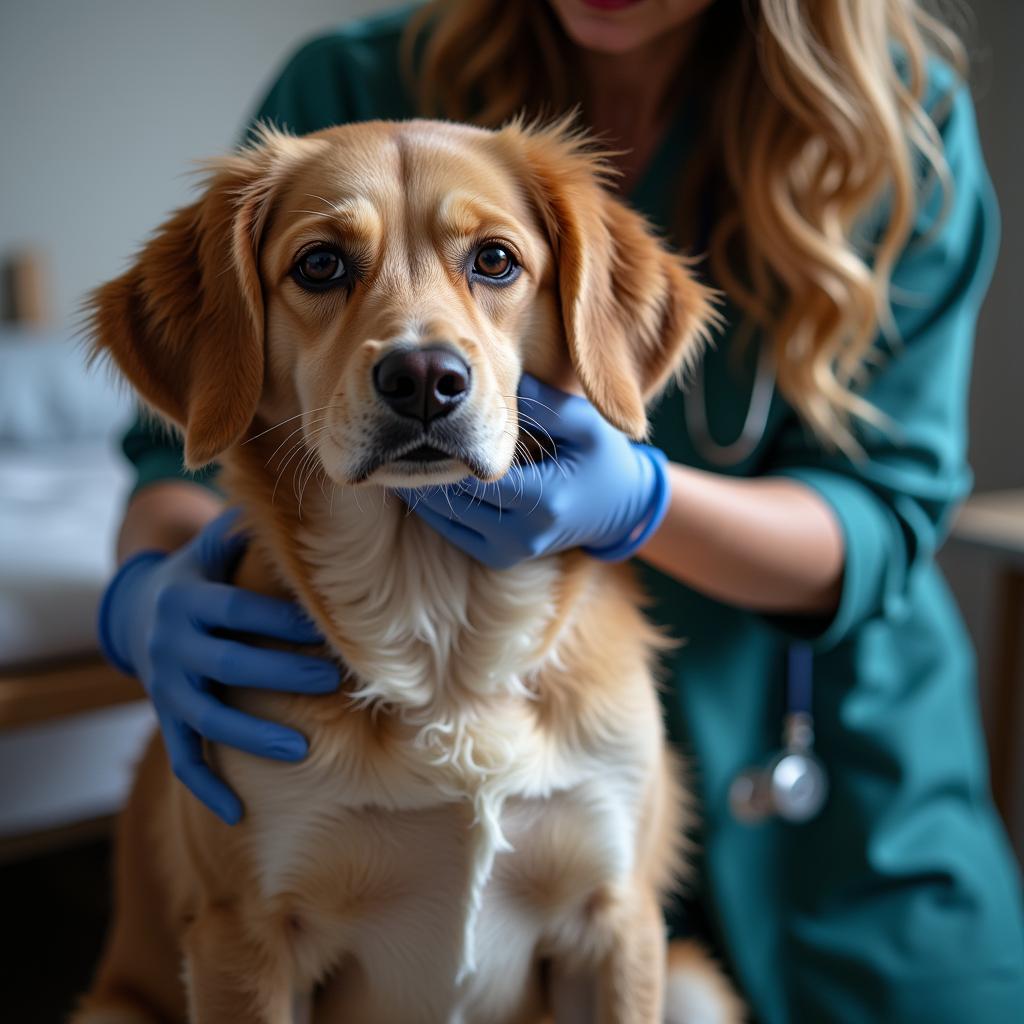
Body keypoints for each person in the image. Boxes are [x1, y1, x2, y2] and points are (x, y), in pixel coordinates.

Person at [97, 1, 1024, 1020]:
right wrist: (145, 600)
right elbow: (184, 433)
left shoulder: (895, 119)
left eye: (491, 261)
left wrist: (637, 502)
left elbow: (887, 507)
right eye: (327, 265)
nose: (418, 350)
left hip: (822, 760)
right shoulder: (351, 78)